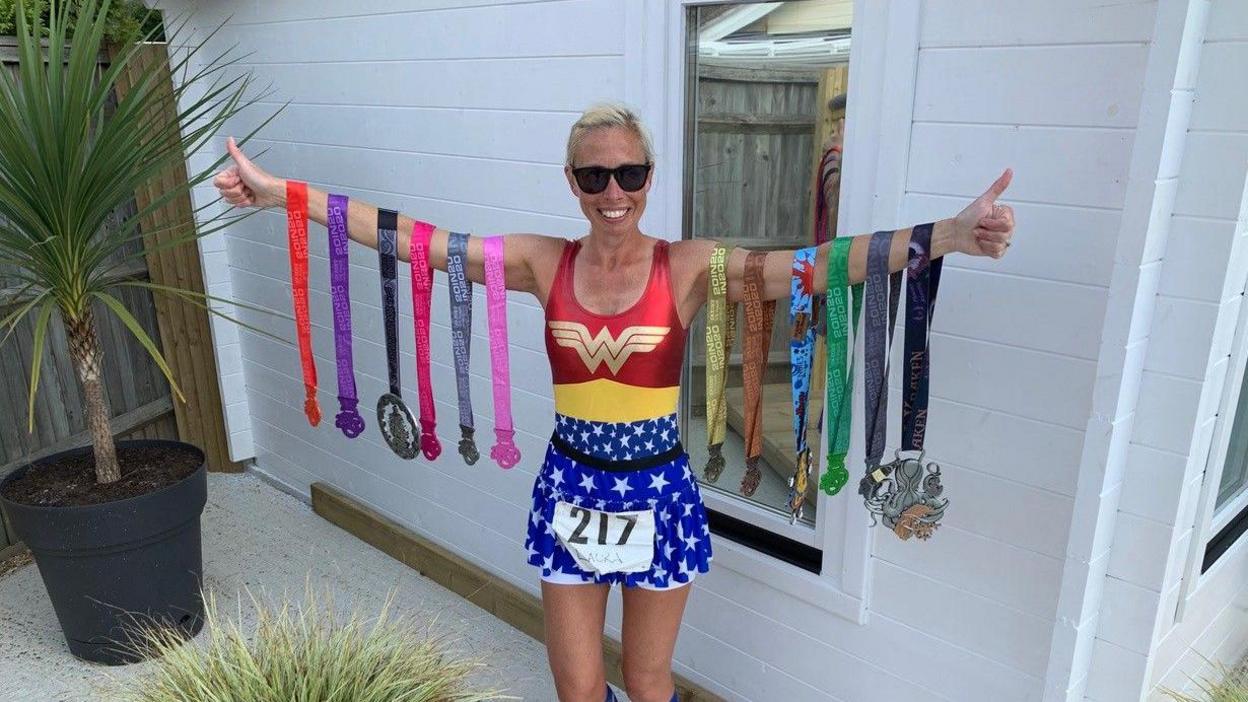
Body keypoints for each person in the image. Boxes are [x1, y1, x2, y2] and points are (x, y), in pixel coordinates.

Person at [213, 103, 1015, 702]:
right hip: (571, 489)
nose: (612, 191)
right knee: (575, 684)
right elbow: (420, 245)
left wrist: (947, 233)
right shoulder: (540, 261)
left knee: (647, 675)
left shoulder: (690, 264)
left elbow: (812, 267)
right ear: (573, 181)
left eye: (628, 173)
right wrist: (284, 193)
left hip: (658, 493)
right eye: (594, 175)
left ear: (648, 179)